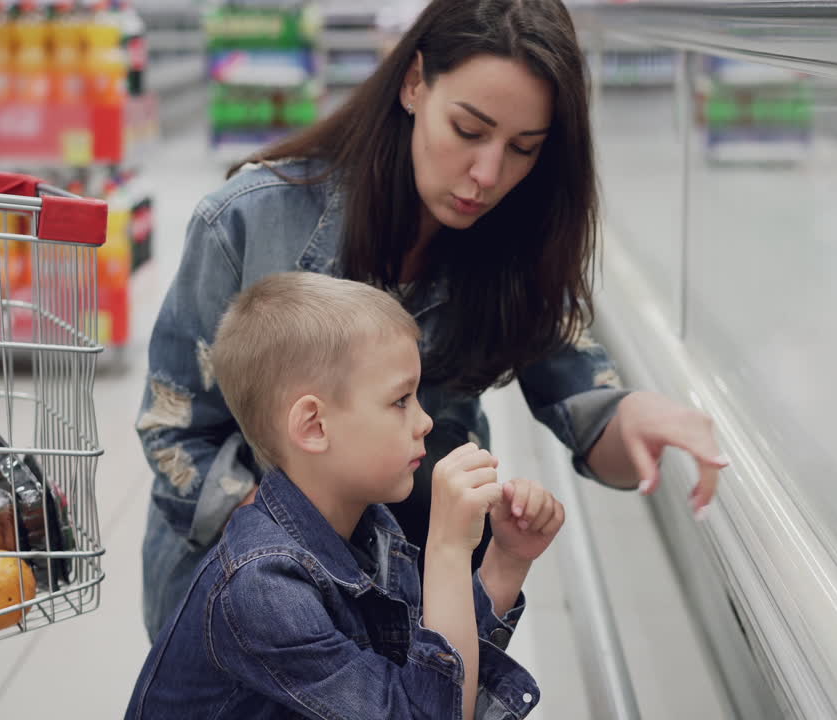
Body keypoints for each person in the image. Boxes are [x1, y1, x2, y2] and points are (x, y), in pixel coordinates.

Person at [137, 0, 727, 639]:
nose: (487, 174)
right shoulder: (248, 222)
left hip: (409, 596)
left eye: (523, 149)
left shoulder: (516, 246)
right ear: (414, 82)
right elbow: (174, 429)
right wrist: (299, 541)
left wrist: (633, 415)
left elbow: (593, 416)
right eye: (469, 131)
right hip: (245, 595)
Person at [125, 272, 561, 719]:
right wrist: (448, 548)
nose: (425, 421)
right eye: (401, 400)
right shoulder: (262, 587)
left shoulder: (372, 529)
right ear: (314, 425)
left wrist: (506, 562)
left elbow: (435, 685)